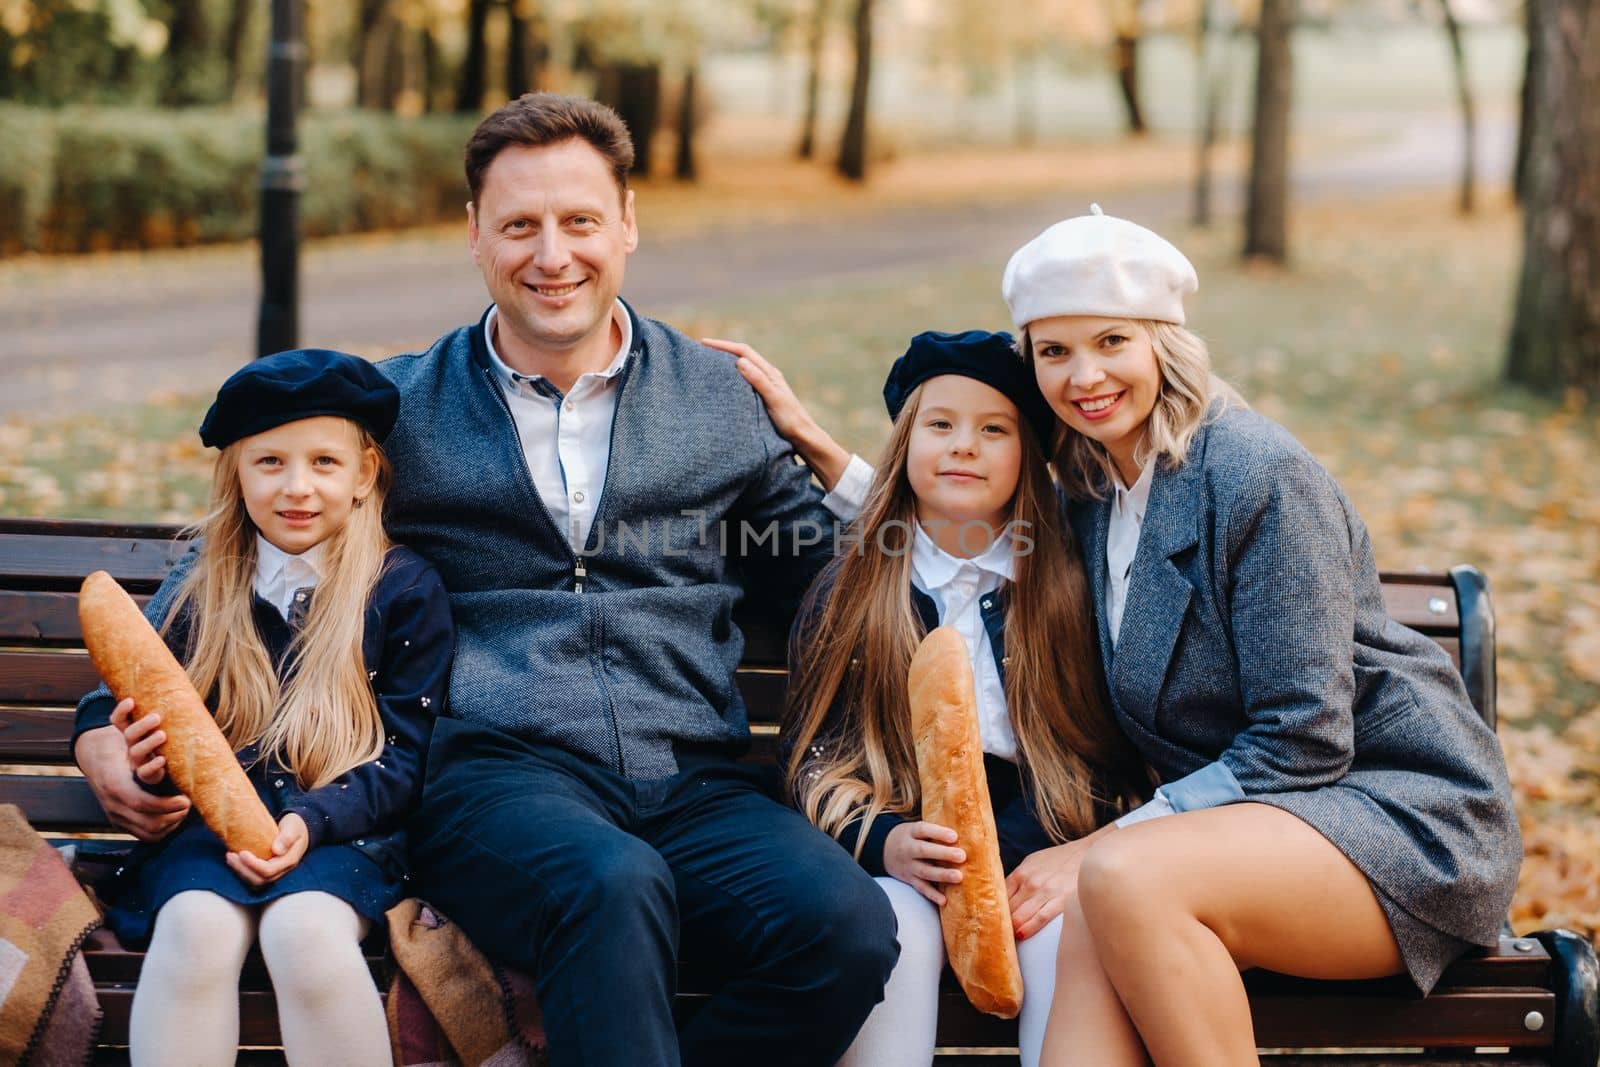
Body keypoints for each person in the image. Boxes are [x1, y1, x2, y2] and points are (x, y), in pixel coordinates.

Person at [70, 92, 898, 1067]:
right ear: (475, 234)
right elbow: (220, 570)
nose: (552, 255)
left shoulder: (717, 398)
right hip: (494, 783)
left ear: (627, 222)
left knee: (842, 928)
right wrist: (99, 738)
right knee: (610, 884)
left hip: (694, 782)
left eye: (580, 220)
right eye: (520, 225)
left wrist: (826, 454)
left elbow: (843, 593)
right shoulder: (398, 408)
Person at [734, 206, 1523, 1065]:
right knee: (1099, 931)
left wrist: (1101, 846)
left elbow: (1304, 741)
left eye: (1111, 341)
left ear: (1163, 343)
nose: (1085, 376)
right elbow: (956, 528)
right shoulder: (1094, 487)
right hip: (1207, 848)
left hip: (1391, 818)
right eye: (1054, 351)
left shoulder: (1256, 475)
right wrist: (826, 451)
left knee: (1116, 885)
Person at [72, 349, 455, 1067]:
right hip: (207, 836)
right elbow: (162, 732)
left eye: (324, 463)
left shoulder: (403, 590)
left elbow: (410, 756)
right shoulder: (204, 587)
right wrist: (148, 763)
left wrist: (310, 820)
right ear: (237, 474)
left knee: (306, 934)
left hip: (344, 829)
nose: (297, 487)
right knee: (194, 929)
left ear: (366, 474)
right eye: (270, 462)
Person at [784, 329, 1147, 1067]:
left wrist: (1069, 852)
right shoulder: (855, 589)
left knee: (1064, 937)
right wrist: (884, 840)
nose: (964, 447)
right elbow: (814, 759)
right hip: (907, 841)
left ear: (1030, 457)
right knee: (895, 931)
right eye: (940, 424)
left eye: (994, 430)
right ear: (905, 443)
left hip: (1045, 838)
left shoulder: (1068, 589)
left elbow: (1113, 750)